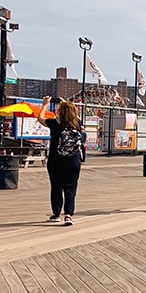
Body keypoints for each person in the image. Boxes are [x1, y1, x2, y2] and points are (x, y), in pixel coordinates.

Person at [38, 96, 83, 226]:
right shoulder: (77, 123)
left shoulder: (55, 123)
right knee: (70, 187)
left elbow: (40, 118)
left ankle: (56, 214)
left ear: (59, 112)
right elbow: (73, 113)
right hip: (73, 160)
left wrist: (45, 104)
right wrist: (65, 103)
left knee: (56, 186)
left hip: (56, 159)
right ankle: (68, 215)